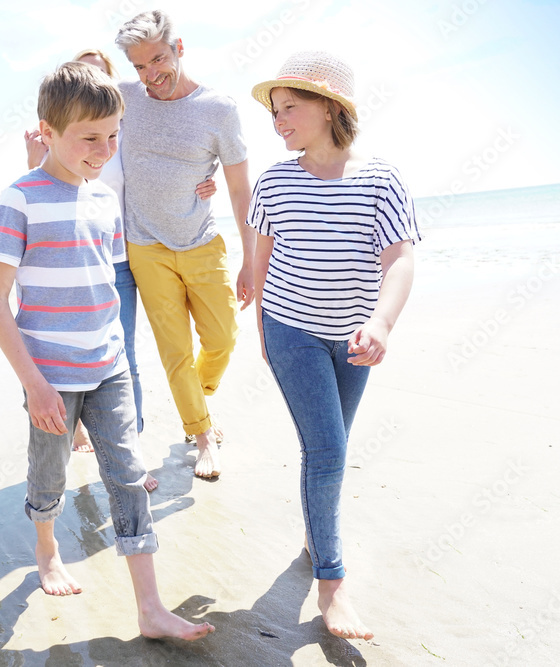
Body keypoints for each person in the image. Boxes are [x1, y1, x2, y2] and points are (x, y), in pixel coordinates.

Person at [0, 61, 213, 640]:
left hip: (108, 367)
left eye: (113, 136)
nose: (105, 149)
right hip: (50, 378)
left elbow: (103, 285)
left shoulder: (105, 202)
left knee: (129, 477)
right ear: (48, 130)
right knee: (49, 478)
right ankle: (45, 549)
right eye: (90, 138)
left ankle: (150, 609)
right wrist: (34, 384)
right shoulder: (19, 200)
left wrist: (115, 349)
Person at [247, 51, 420, 640]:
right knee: (328, 454)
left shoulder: (381, 178)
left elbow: (399, 259)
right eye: (275, 112)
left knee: (330, 449)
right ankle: (332, 584)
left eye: (289, 107)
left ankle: (313, 532)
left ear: (330, 107)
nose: (279, 120)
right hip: (291, 331)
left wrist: (382, 323)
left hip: (353, 341)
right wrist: (264, 334)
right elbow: (263, 257)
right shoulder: (274, 180)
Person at [23, 49, 216, 479]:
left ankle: (168, 444)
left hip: (135, 252)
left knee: (153, 351)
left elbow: (171, 160)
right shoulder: (59, 134)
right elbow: (41, 197)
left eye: (100, 71)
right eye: (83, 69)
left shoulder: (126, 130)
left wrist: (203, 179)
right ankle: (105, 448)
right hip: (89, 262)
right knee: (96, 355)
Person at [114, 10, 255, 479]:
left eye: (157, 59)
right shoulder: (125, 98)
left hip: (200, 241)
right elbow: (71, 99)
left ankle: (197, 397)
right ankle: (201, 436)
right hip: (144, 246)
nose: (150, 75)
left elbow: (239, 189)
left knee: (222, 338)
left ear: (180, 47)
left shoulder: (219, 108)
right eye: (139, 67)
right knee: (174, 351)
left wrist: (251, 258)